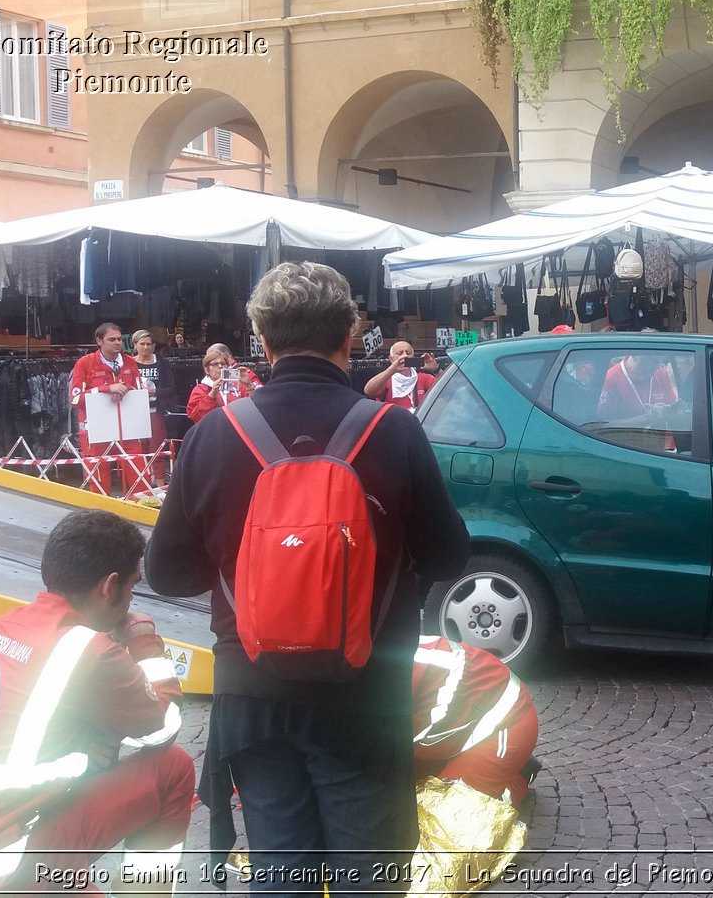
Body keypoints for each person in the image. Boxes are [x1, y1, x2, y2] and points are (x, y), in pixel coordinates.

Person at [146, 261, 470, 897]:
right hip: (364, 694)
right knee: (367, 882)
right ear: (349, 338)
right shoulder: (394, 431)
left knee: (282, 878)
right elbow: (447, 559)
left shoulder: (214, 434)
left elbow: (168, 572)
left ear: (261, 342)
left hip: (252, 694)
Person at [0, 509, 192, 895]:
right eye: (133, 586)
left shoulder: (2, 627)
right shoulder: (85, 649)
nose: (130, 597)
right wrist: (143, 639)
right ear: (110, 586)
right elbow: (164, 727)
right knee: (173, 769)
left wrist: (84, 752)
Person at [413, 636, 539, 805]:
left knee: (444, 819)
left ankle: (517, 776)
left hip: (504, 723)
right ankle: (446, 765)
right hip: (448, 731)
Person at [69, 322, 144, 496]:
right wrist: (106, 389)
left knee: (138, 473)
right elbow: (75, 400)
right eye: (112, 339)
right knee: (98, 479)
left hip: (128, 427)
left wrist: (126, 389)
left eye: (119, 339)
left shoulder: (130, 362)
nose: (117, 343)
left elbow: (141, 392)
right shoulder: (85, 363)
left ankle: (142, 511)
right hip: (95, 429)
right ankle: (99, 514)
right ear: (99, 341)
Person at [131, 329, 180, 487]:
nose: (146, 347)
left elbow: (172, 388)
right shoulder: (129, 363)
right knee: (138, 451)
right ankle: (142, 486)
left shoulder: (161, 362)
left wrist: (155, 391)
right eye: (142, 344)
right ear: (135, 345)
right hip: (135, 413)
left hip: (155, 411)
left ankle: (160, 487)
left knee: (157, 449)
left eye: (149, 344)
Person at [185, 344, 259, 423]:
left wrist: (248, 385)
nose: (220, 366)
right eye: (215, 364)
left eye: (223, 363)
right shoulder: (200, 389)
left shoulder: (238, 385)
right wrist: (211, 395)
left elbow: (255, 409)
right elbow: (195, 416)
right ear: (207, 370)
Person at [363, 340, 440, 411]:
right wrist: (393, 369)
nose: (405, 356)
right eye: (400, 353)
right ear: (391, 359)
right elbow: (368, 391)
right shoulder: (386, 380)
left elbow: (447, 390)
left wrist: (436, 369)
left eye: (408, 353)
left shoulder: (422, 378)